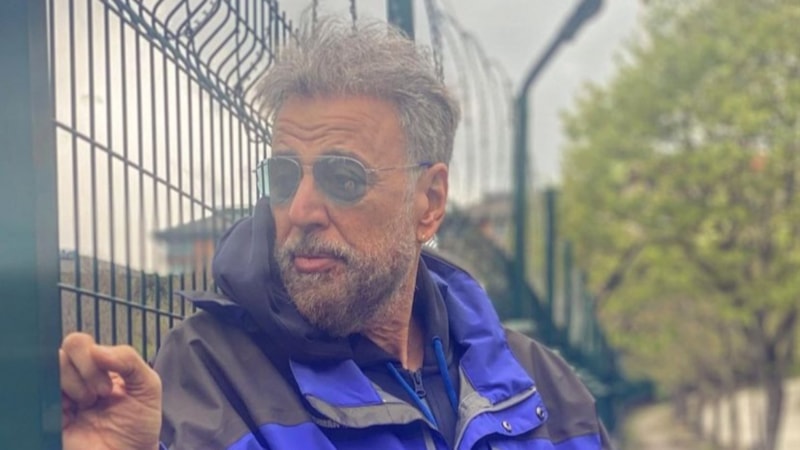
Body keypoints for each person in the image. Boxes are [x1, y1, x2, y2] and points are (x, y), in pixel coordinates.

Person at [59, 17, 613, 450]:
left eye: (343, 178)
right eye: (283, 177)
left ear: (429, 202)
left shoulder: (543, 385)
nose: (300, 209)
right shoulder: (213, 376)